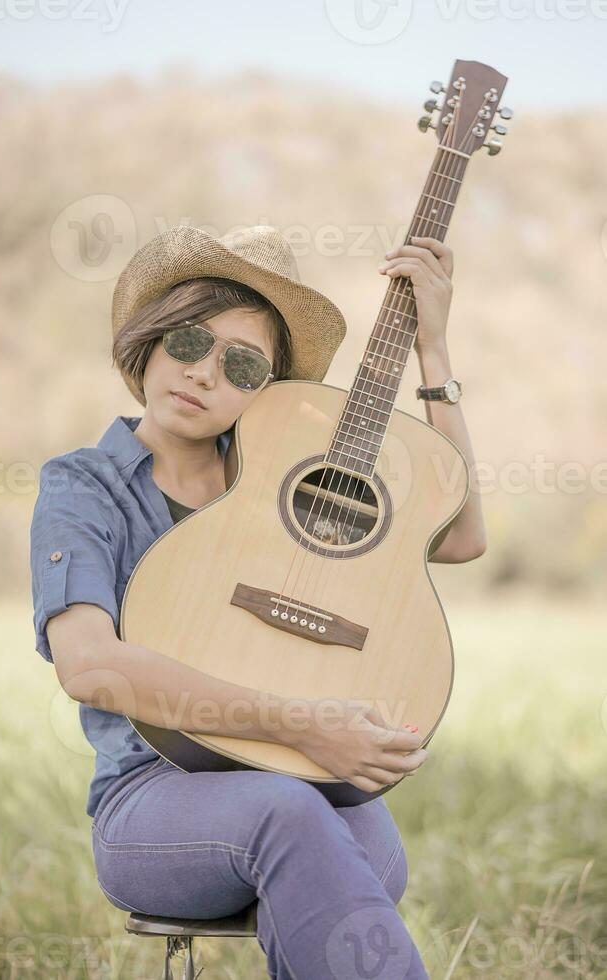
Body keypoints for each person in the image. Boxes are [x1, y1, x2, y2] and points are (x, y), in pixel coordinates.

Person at [30, 224, 486, 979]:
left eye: (240, 365)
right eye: (186, 343)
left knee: (367, 841)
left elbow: (460, 534)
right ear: (147, 341)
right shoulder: (85, 486)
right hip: (153, 799)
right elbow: (89, 666)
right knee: (293, 815)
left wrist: (432, 353)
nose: (204, 374)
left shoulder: (289, 477)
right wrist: (304, 722)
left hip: (302, 780)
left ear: (264, 391)